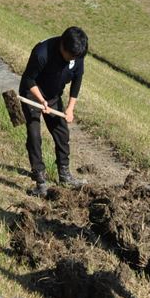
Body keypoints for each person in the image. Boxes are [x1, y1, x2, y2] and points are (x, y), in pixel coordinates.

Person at [20, 26, 89, 197]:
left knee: (61, 132)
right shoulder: (42, 53)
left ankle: (64, 174)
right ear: (62, 47)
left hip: (53, 94)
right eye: (71, 56)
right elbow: (28, 78)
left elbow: (77, 80)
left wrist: (70, 108)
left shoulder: (76, 54)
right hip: (32, 92)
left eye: (77, 57)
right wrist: (40, 100)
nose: (74, 59)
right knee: (34, 134)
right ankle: (40, 181)